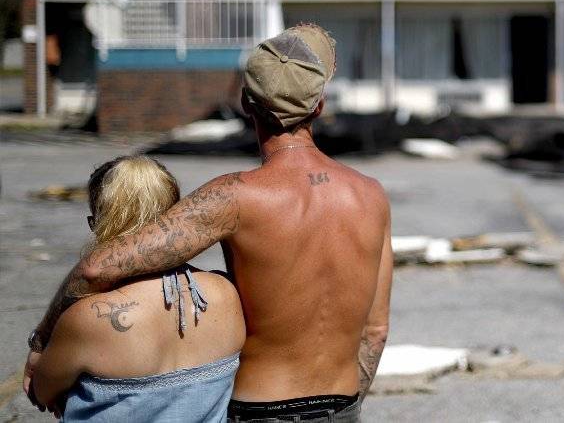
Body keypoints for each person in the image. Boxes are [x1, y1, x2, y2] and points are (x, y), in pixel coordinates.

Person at [25, 24, 393, 423]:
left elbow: (97, 267)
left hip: (259, 410)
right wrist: (344, 409)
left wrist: (43, 338)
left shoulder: (235, 197)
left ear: (245, 103)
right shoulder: (371, 194)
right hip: (343, 407)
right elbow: (375, 331)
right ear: (318, 107)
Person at [31, 155, 245, 421]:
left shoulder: (88, 318)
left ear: (95, 223)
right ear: (175, 217)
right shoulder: (227, 293)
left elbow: (40, 392)